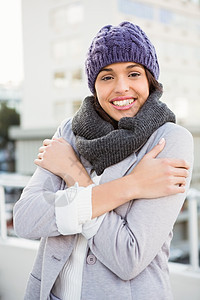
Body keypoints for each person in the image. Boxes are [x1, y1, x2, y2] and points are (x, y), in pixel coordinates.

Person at [13, 21, 193, 300]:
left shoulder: (171, 140)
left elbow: (128, 257)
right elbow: (26, 219)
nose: (121, 88)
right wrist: (132, 185)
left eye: (133, 73)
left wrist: (74, 174)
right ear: (94, 85)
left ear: (150, 80)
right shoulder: (69, 132)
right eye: (107, 77)